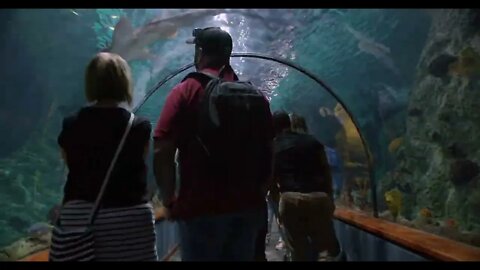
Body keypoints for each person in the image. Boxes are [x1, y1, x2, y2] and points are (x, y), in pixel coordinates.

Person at [153, 27, 274, 261]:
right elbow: (270, 149)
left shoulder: (185, 91)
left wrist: (169, 198)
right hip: (247, 207)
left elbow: (162, 148)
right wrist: (260, 192)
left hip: (200, 209)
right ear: (228, 55)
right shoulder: (255, 95)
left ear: (199, 52)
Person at [55, 52, 157, 261]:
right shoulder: (139, 127)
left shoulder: (71, 124)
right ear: (124, 83)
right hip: (130, 218)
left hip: (81, 217)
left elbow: (68, 162)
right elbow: (142, 159)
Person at [272, 111, 340, 261]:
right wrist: (330, 197)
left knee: (298, 250)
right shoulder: (312, 142)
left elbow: (271, 180)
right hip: (318, 198)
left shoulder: (273, 146)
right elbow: (326, 170)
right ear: (289, 124)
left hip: (290, 199)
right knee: (325, 249)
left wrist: (278, 207)